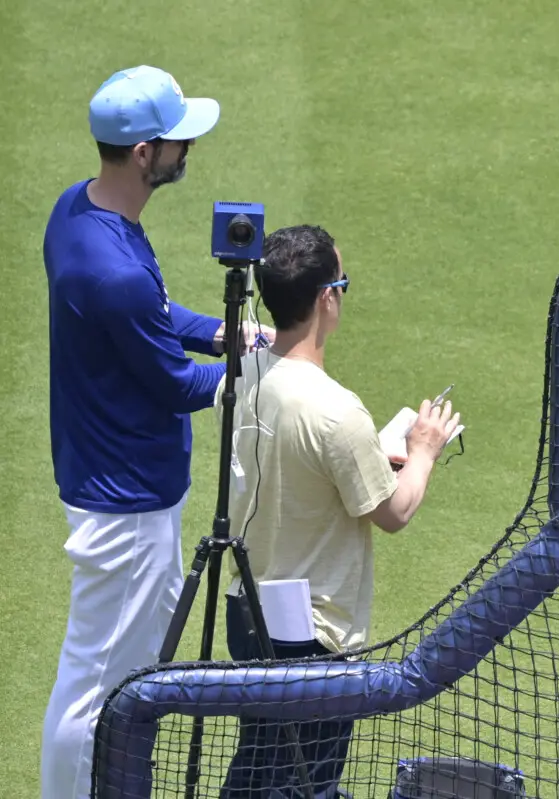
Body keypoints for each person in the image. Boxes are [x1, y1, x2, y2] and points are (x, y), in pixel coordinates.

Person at [40, 65, 272, 799]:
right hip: (128, 509)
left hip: (115, 485)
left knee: (117, 675)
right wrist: (262, 375)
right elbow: (172, 382)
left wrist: (230, 335)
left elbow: (155, 318)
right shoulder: (116, 269)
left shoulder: (77, 212)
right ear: (144, 153)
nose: (187, 150)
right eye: (177, 140)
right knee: (100, 689)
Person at [216, 225, 461, 799]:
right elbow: (393, 511)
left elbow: (301, 468)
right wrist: (423, 451)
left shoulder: (245, 372)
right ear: (327, 297)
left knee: (261, 768)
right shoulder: (334, 410)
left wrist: (368, 457)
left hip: (246, 612)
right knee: (300, 784)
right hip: (312, 634)